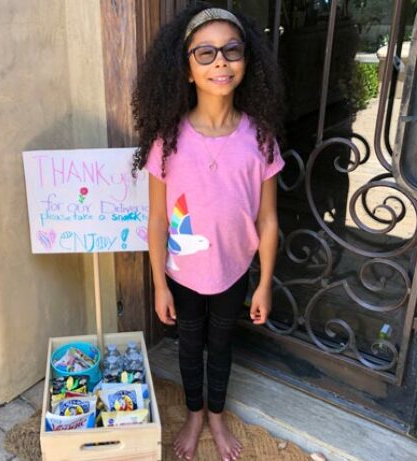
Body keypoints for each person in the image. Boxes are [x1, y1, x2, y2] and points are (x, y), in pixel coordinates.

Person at [132, 4, 285, 461]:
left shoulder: (260, 140)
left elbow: (269, 219)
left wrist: (264, 283)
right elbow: (157, 219)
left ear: (246, 61)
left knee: (221, 346)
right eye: (206, 53)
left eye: (231, 50)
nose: (221, 61)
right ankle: (194, 412)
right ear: (185, 69)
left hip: (234, 271)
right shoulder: (168, 140)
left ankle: (215, 415)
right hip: (182, 272)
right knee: (189, 345)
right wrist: (159, 283)